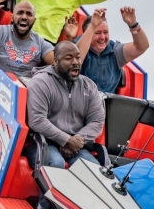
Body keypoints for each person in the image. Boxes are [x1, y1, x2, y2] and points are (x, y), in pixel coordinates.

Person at [24, 41, 106, 176]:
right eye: (69, 58)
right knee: (56, 163)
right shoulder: (40, 82)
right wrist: (66, 140)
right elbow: (37, 120)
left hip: (76, 145)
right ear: (56, 61)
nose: (76, 62)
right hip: (43, 142)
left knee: (94, 170)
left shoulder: (89, 86)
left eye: (78, 57)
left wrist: (78, 139)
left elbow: (97, 121)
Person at [75, 6, 149, 94]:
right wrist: (92, 26)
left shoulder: (114, 50)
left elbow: (141, 47)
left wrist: (133, 25)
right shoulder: (77, 46)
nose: (102, 37)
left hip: (105, 105)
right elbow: (76, 60)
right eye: (97, 33)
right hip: (80, 103)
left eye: (105, 32)